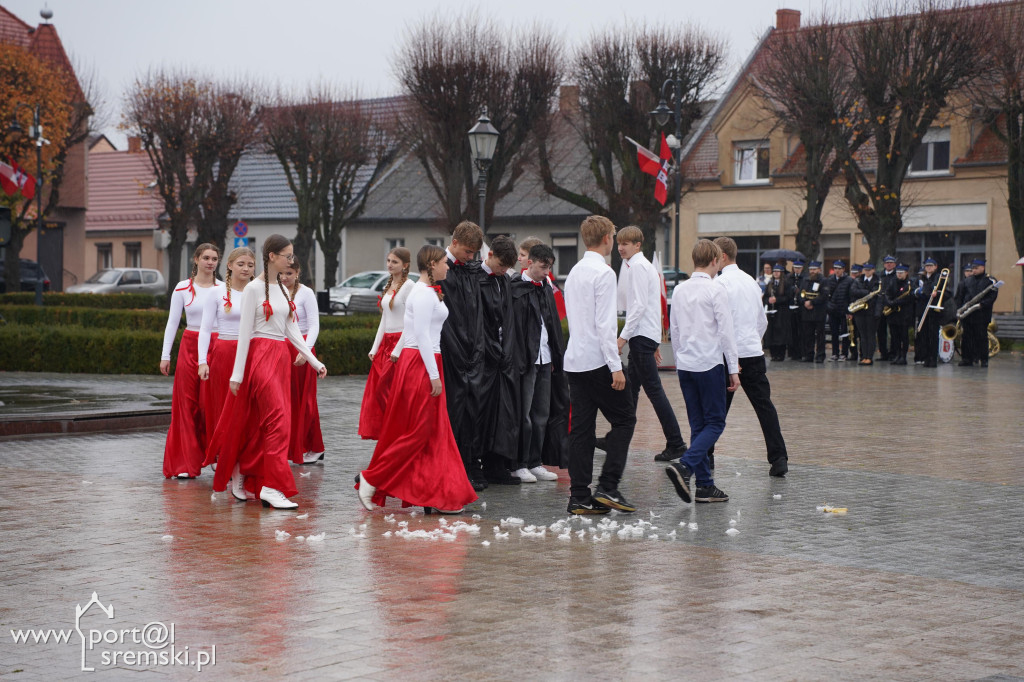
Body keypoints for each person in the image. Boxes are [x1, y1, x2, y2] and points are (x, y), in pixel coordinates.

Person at [356, 245, 478, 514]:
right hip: (423, 363)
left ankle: (439, 493)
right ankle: (372, 478)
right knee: (419, 431)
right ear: (432, 264)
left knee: (435, 432)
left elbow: (411, 331)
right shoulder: (422, 294)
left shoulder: (425, 292)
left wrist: (400, 355)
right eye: (445, 262)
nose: (448, 266)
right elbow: (421, 335)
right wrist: (433, 375)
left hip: (423, 360)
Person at [208, 234, 327, 510]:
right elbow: (245, 332)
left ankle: (247, 472)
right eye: (287, 255)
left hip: (280, 358)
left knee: (266, 425)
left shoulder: (284, 290)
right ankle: (272, 488)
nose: (291, 260)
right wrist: (237, 375)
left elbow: (291, 329)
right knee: (278, 422)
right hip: (260, 357)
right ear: (272, 256)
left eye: (292, 256)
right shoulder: (253, 289)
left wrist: (312, 360)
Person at [563, 215, 637, 515]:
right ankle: (608, 485)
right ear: (607, 238)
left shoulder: (574, 271)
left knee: (581, 429)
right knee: (624, 419)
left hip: (576, 359)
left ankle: (579, 495)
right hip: (597, 360)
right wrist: (615, 366)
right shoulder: (604, 273)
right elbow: (605, 325)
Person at [664, 239, 739, 504]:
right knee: (715, 422)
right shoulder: (715, 289)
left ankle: (705, 485)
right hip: (709, 363)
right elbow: (726, 332)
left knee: (698, 425)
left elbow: (674, 329)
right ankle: (686, 466)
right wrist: (733, 368)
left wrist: (680, 356)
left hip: (686, 364)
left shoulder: (681, 289)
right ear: (716, 261)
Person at [712, 236, 788, 477]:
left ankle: (705, 455)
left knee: (717, 409)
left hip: (729, 354)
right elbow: (761, 320)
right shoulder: (752, 283)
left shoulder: (720, 284)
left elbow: (719, 324)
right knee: (764, 406)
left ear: (722, 256)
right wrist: (753, 341)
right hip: (753, 351)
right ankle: (779, 458)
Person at [615, 225, 686, 462]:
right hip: (645, 336)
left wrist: (623, 337)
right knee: (631, 391)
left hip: (640, 337)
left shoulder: (636, 266)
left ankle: (676, 442)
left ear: (638, 245)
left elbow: (639, 307)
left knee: (653, 391)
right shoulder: (643, 266)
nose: (620, 248)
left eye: (625, 243)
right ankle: (619, 438)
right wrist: (654, 338)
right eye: (618, 243)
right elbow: (651, 306)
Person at [160, 243, 222, 479]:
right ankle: (185, 462)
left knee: (213, 403)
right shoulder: (182, 288)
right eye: (206, 257)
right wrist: (166, 355)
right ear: (196, 260)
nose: (210, 262)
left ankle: (216, 454)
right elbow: (172, 323)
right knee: (186, 404)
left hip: (218, 347)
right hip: (189, 346)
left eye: (214, 258)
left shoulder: (223, 289)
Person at [511, 243, 570, 479]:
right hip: (526, 361)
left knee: (542, 413)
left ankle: (535, 461)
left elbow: (552, 324)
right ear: (530, 263)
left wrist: (557, 355)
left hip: (545, 359)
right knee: (523, 414)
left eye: (549, 267)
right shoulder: (516, 288)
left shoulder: (546, 287)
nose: (547, 272)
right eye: (543, 267)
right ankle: (519, 463)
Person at [440, 221, 487, 491]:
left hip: (473, 353)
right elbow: (446, 320)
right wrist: (458, 352)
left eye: (474, 253)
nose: (471, 257)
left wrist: (477, 348)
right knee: (454, 413)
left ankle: (469, 465)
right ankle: (453, 468)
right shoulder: (440, 269)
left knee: (472, 412)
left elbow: (477, 314)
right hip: (451, 353)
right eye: (468, 252)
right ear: (454, 242)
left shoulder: (470, 270)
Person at [476, 236, 524, 484]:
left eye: (507, 267)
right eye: (501, 265)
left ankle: (497, 464)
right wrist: (492, 349)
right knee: (483, 413)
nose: (503, 270)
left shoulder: (504, 281)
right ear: (490, 254)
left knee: (504, 413)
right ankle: (479, 463)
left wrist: (507, 350)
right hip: (485, 358)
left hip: (504, 357)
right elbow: (477, 321)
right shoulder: (477, 279)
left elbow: (508, 318)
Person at [198, 246, 255, 451]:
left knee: (248, 406)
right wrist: (202, 361)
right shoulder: (216, 292)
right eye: (241, 264)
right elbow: (205, 329)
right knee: (222, 404)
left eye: (250, 265)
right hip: (224, 352)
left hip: (251, 352)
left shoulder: (257, 290)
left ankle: (244, 452)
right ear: (230, 266)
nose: (245, 269)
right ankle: (221, 451)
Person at [358, 247, 411, 440]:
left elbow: (411, 322)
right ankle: (387, 434)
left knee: (392, 392)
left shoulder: (409, 287)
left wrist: (397, 349)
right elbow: (385, 320)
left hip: (399, 344)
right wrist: (374, 347)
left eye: (394, 262)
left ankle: (399, 433)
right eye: (388, 261)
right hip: (385, 344)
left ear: (405, 265)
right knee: (377, 392)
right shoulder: (389, 285)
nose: (390, 265)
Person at [281, 260, 325, 464]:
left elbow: (315, 324)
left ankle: (314, 447)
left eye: (289, 273)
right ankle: (290, 447)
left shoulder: (306, 293)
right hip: (281, 348)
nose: (284, 277)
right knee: (286, 400)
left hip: (303, 347)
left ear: (297, 272)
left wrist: (306, 351)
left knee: (306, 401)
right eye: (281, 273)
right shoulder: (276, 290)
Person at [956, 258, 999, 367]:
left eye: (976, 268)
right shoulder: (967, 280)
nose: (973, 270)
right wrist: (960, 308)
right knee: (967, 337)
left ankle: (983, 359)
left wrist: (982, 304)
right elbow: (961, 296)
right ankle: (967, 358)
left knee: (981, 337)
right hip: (968, 314)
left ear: (983, 267)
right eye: (973, 268)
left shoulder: (990, 280)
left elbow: (992, 296)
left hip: (981, 314)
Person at [850, 262, 884, 365]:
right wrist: (867, 293)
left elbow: (879, 297)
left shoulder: (878, 281)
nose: (867, 272)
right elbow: (853, 291)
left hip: (872, 312)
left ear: (873, 270)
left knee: (870, 335)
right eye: (865, 270)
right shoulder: (858, 280)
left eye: (869, 270)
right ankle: (863, 356)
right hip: (860, 311)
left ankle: (869, 357)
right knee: (862, 335)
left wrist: (878, 313)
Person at [799, 261, 831, 363]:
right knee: (808, 335)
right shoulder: (805, 280)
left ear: (819, 270)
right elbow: (800, 293)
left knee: (820, 335)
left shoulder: (824, 281)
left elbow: (824, 295)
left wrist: (812, 302)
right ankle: (809, 355)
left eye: (814, 269)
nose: (812, 271)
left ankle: (820, 355)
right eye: (811, 269)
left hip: (818, 311)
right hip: (807, 312)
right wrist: (804, 302)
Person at [914, 258, 943, 368]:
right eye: (927, 266)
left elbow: (943, 292)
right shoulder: (923, 278)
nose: (929, 268)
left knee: (933, 335)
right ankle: (926, 358)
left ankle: (933, 358)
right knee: (924, 335)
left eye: (931, 266)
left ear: (936, 266)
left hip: (933, 310)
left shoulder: (939, 277)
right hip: (923, 309)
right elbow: (917, 292)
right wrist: (921, 292)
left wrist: (934, 293)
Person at [884, 263, 914, 365]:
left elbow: (908, 298)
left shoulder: (910, 283)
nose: (899, 275)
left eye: (901, 273)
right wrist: (889, 302)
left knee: (904, 337)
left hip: (904, 314)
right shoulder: (893, 282)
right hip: (893, 314)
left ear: (906, 273)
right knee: (894, 336)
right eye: (897, 272)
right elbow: (887, 293)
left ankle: (903, 356)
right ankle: (896, 355)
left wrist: (895, 302)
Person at [762, 264, 792, 362]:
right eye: (774, 271)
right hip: (771, 312)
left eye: (778, 271)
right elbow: (765, 297)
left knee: (781, 334)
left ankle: (780, 354)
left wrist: (777, 300)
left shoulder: (786, 283)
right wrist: (768, 300)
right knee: (772, 333)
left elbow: (788, 297)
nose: (776, 273)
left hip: (782, 313)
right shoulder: (770, 284)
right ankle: (773, 354)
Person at [826, 261, 853, 361]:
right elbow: (827, 294)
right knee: (834, 333)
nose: (837, 271)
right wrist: (829, 307)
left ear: (843, 269)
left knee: (844, 333)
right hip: (833, 310)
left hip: (844, 310)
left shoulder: (849, 280)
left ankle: (844, 353)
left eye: (839, 269)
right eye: (835, 268)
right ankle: (835, 353)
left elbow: (851, 296)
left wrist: (850, 311)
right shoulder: (830, 279)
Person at [878, 255, 898, 360]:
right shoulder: (880, 275)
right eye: (887, 263)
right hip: (881, 307)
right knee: (881, 332)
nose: (889, 264)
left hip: (892, 307)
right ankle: (883, 353)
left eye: (891, 262)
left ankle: (893, 353)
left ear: (894, 264)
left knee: (893, 331)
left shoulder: (896, 275)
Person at [787, 260, 806, 360]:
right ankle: (792, 352)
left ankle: (801, 352)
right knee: (792, 331)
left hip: (800, 307)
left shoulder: (804, 278)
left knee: (801, 331)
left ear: (802, 268)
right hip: (791, 306)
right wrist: (792, 290)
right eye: (795, 268)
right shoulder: (789, 278)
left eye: (799, 268)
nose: (797, 270)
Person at [848, 263, 862, 361]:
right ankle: (853, 353)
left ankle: (862, 353)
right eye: (852, 273)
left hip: (861, 310)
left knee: (861, 334)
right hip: (851, 310)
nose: (854, 275)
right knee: (851, 334)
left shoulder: (861, 282)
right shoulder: (849, 282)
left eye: (856, 273)